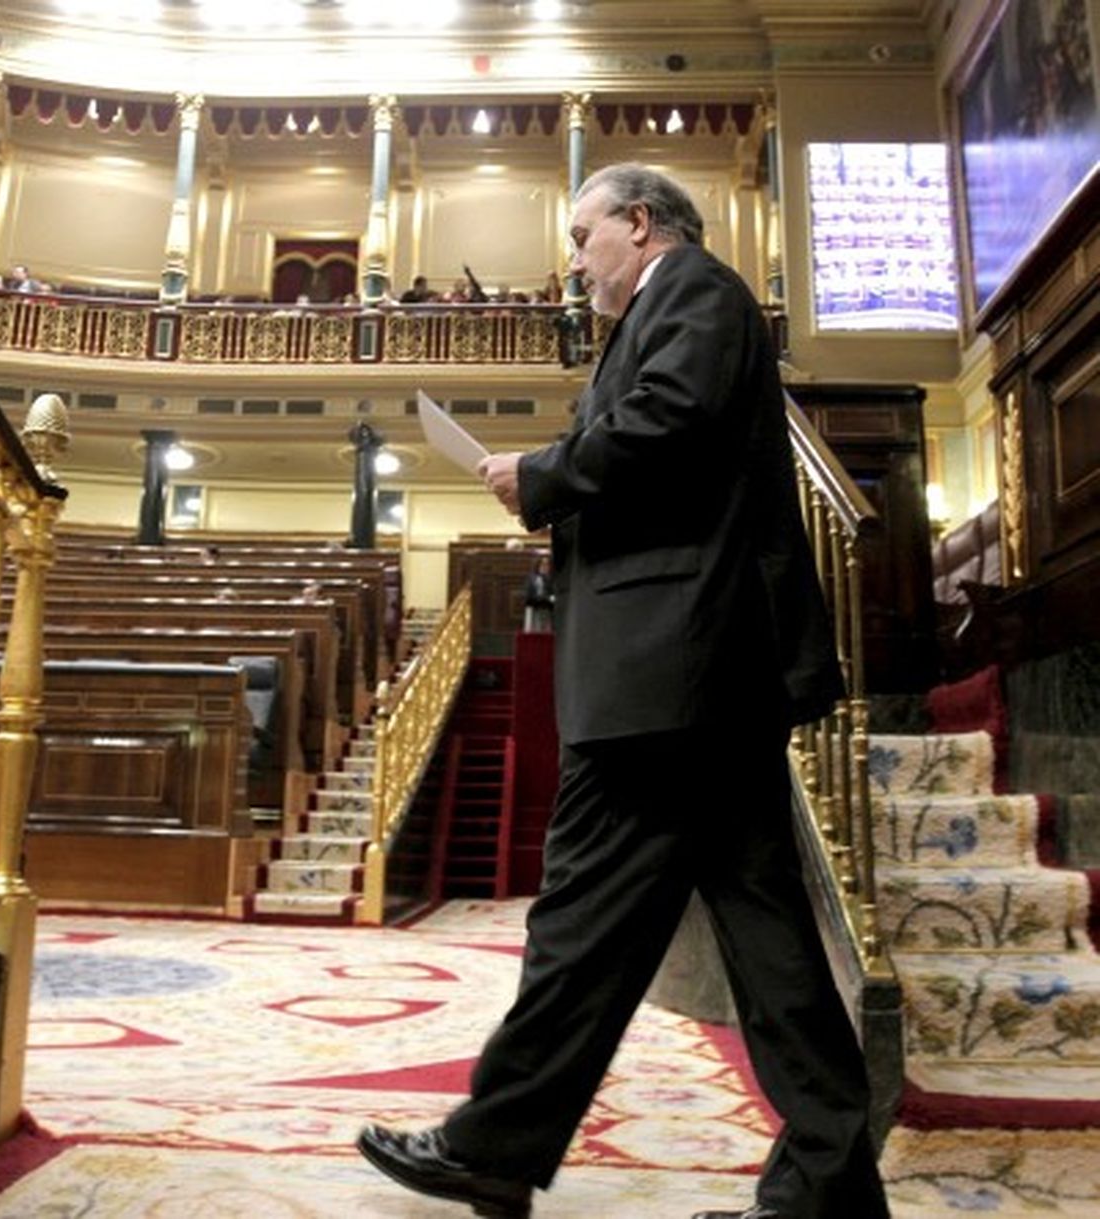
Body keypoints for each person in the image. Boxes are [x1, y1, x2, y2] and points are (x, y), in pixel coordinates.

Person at [356, 163, 888, 1219]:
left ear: (639, 225)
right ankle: (825, 1186)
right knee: (765, 937)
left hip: (674, 676)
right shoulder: (677, 303)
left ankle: (493, 1145)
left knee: (585, 919)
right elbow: (666, 461)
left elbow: (666, 422)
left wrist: (542, 474)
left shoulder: (694, 288)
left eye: (583, 232)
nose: (574, 255)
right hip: (695, 674)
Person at [521, 556, 553, 632]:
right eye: (543, 564)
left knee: (546, 630)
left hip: (547, 608)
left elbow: (553, 593)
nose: (545, 567)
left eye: (547, 564)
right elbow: (526, 592)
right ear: (538, 565)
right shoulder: (531, 578)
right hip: (533, 608)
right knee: (534, 630)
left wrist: (550, 599)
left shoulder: (552, 578)